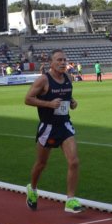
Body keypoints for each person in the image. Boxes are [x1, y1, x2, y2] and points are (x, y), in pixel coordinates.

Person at [23, 49, 83, 214]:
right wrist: (49, 104)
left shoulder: (68, 78)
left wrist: (72, 102)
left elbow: (66, 97)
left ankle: (70, 200)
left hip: (64, 125)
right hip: (48, 128)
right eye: (59, 60)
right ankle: (32, 189)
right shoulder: (43, 80)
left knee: (74, 161)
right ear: (51, 62)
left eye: (64, 60)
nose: (63, 63)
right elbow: (28, 99)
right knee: (41, 164)